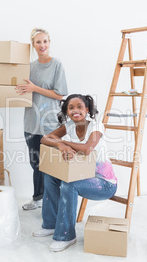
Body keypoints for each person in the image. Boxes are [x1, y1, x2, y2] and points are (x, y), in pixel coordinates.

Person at [33, 94, 118, 252]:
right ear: (66, 111)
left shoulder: (96, 126)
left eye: (79, 107)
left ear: (87, 109)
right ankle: (50, 224)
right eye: (70, 108)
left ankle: (66, 235)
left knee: (69, 183)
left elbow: (87, 149)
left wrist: (62, 142)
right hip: (83, 176)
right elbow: (45, 139)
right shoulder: (69, 126)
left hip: (104, 184)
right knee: (50, 176)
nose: (75, 111)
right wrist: (61, 146)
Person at [16, 28, 68, 210]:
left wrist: (35, 88)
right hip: (31, 122)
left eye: (45, 41)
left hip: (50, 124)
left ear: (49, 42)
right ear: (33, 45)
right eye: (38, 42)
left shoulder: (56, 65)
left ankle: (54, 201)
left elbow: (61, 94)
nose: (42, 45)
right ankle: (38, 198)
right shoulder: (29, 67)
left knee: (51, 165)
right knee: (35, 163)